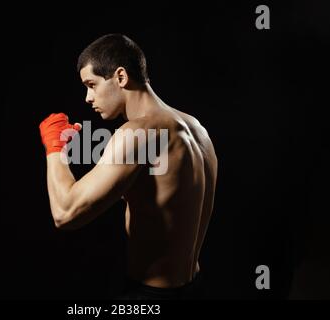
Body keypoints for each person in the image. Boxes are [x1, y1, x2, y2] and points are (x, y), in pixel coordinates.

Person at [39, 34, 217, 299]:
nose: (88, 98)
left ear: (120, 77)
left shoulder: (138, 134)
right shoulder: (196, 128)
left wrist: (55, 149)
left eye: (92, 84)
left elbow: (65, 213)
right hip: (195, 287)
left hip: (152, 296)